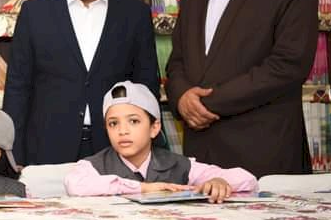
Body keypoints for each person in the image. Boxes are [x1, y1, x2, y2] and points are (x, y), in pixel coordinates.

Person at [166, 0, 318, 178]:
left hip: (264, 159)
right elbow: (176, 63)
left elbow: (288, 66)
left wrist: (205, 104)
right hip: (201, 160)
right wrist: (182, 99)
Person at [3, 0, 159, 166]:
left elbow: (146, 86)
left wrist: (146, 156)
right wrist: (13, 156)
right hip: (46, 149)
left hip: (115, 150)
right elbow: (17, 89)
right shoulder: (35, 13)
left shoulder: (134, 15)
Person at [64, 81, 257, 203]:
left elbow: (248, 179)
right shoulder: (94, 166)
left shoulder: (178, 165)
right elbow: (74, 184)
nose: (123, 131)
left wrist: (219, 182)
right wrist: (143, 188)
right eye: (113, 123)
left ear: (154, 127)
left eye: (134, 121)